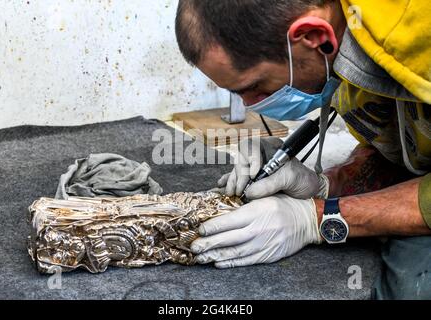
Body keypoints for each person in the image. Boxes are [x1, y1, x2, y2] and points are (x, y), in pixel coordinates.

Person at [175, 0, 431, 299]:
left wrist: (317, 218)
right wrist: (327, 185)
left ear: (313, 36)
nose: (250, 104)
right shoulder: (346, 33)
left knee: (412, 287)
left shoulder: (419, 39)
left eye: (256, 86)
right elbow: (404, 146)